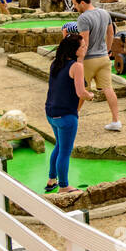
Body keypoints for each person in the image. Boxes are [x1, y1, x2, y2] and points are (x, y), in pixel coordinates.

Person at [44, 32, 94, 194]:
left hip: (51, 113)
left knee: (59, 146)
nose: (86, 47)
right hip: (66, 116)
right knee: (65, 151)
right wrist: (90, 95)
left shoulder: (56, 63)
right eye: (83, 46)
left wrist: (80, 60)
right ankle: (64, 186)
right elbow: (81, 92)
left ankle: (52, 180)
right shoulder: (77, 67)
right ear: (75, 50)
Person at [73, 0, 121, 132]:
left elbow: (84, 41)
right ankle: (116, 121)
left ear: (82, 2)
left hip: (89, 59)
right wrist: (107, 50)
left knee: (80, 90)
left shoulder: (83, 18)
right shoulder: (104, 13)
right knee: (108, 89)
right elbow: (111, 33)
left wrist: (79, 61)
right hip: (103, 58)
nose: (75, 7)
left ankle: (73, 118)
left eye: (75, 4)